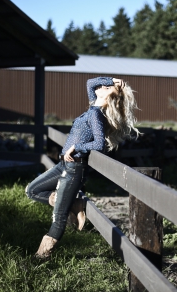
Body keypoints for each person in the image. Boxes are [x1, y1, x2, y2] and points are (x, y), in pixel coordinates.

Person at [25, 76, 139, 259]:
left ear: (110, 97)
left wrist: (77, 147)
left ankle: (41, 256)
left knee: (59, 217)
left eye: (108, 87)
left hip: (74, 168)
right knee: (32, 190)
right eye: (104, 85)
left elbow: (99, 144)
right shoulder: (93, 104)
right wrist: (112, 79)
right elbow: (90, 83)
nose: (103, 86)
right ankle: (73, 203)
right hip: (63, 164)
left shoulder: (96, 114)